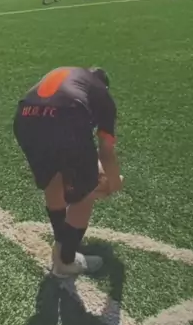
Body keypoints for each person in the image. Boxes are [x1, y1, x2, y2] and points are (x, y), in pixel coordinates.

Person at [13, 66, 123, 279]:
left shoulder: (74, 76)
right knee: (85, 193)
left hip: (24, 117)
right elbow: (106, 152)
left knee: (53, 180)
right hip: (67, 114)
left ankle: (61, 242)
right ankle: (66, 260)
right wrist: (114, 183)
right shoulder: (103, 95)